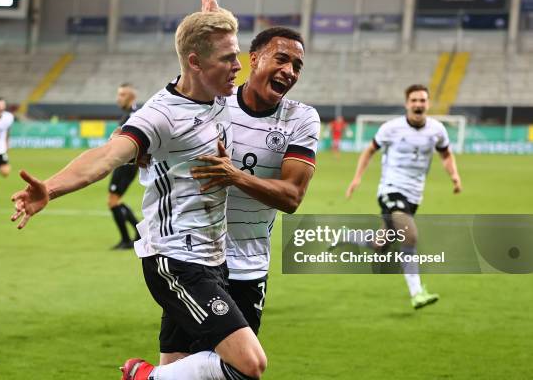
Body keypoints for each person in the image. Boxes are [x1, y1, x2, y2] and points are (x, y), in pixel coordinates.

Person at [11, 0, 267, 380]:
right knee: (248, 365)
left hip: (213, 258)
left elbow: (195, 49)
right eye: (228, 59)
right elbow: (108, 154)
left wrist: (211, 18)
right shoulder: (160, 116)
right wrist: (51, 187)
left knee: (181, 371)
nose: (238, 66)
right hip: (177, 262)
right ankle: (141, 377)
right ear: (196, 64)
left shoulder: (215, 94)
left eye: (237, 55)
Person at [188, 26, 319, 337]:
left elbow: (292, 197)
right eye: (282, 60)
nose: (289, 72)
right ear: (254, 59)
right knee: (185, 358)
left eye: (297, 66)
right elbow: (155, 123)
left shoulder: (300, 118)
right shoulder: (213, 99)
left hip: (249, 264)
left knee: (239, 368)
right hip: (194, 258)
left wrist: (233, 176)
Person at [345, 84, 462, 309]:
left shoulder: (437, 129)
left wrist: (454, 176)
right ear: (407, 103)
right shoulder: (391, 128)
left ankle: (348, 236)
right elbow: (370, 150)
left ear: (428, 104)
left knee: (380, 244)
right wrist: (357, 178)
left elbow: (446, 153)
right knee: (409, 236)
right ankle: (417, 293)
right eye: (414, 100)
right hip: (391, 189)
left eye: (422, 101)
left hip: (415, 194)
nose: (418, 105)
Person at [108, 83, 140, 250]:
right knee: (114, 201)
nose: (118, 98)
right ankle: (136, 233)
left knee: (113, 201)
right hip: (124, 163)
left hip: (127, 164)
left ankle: (128, 239)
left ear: (131, 96)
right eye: (119, 94)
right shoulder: (129, 114)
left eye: (122, 94)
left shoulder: (133, 116)